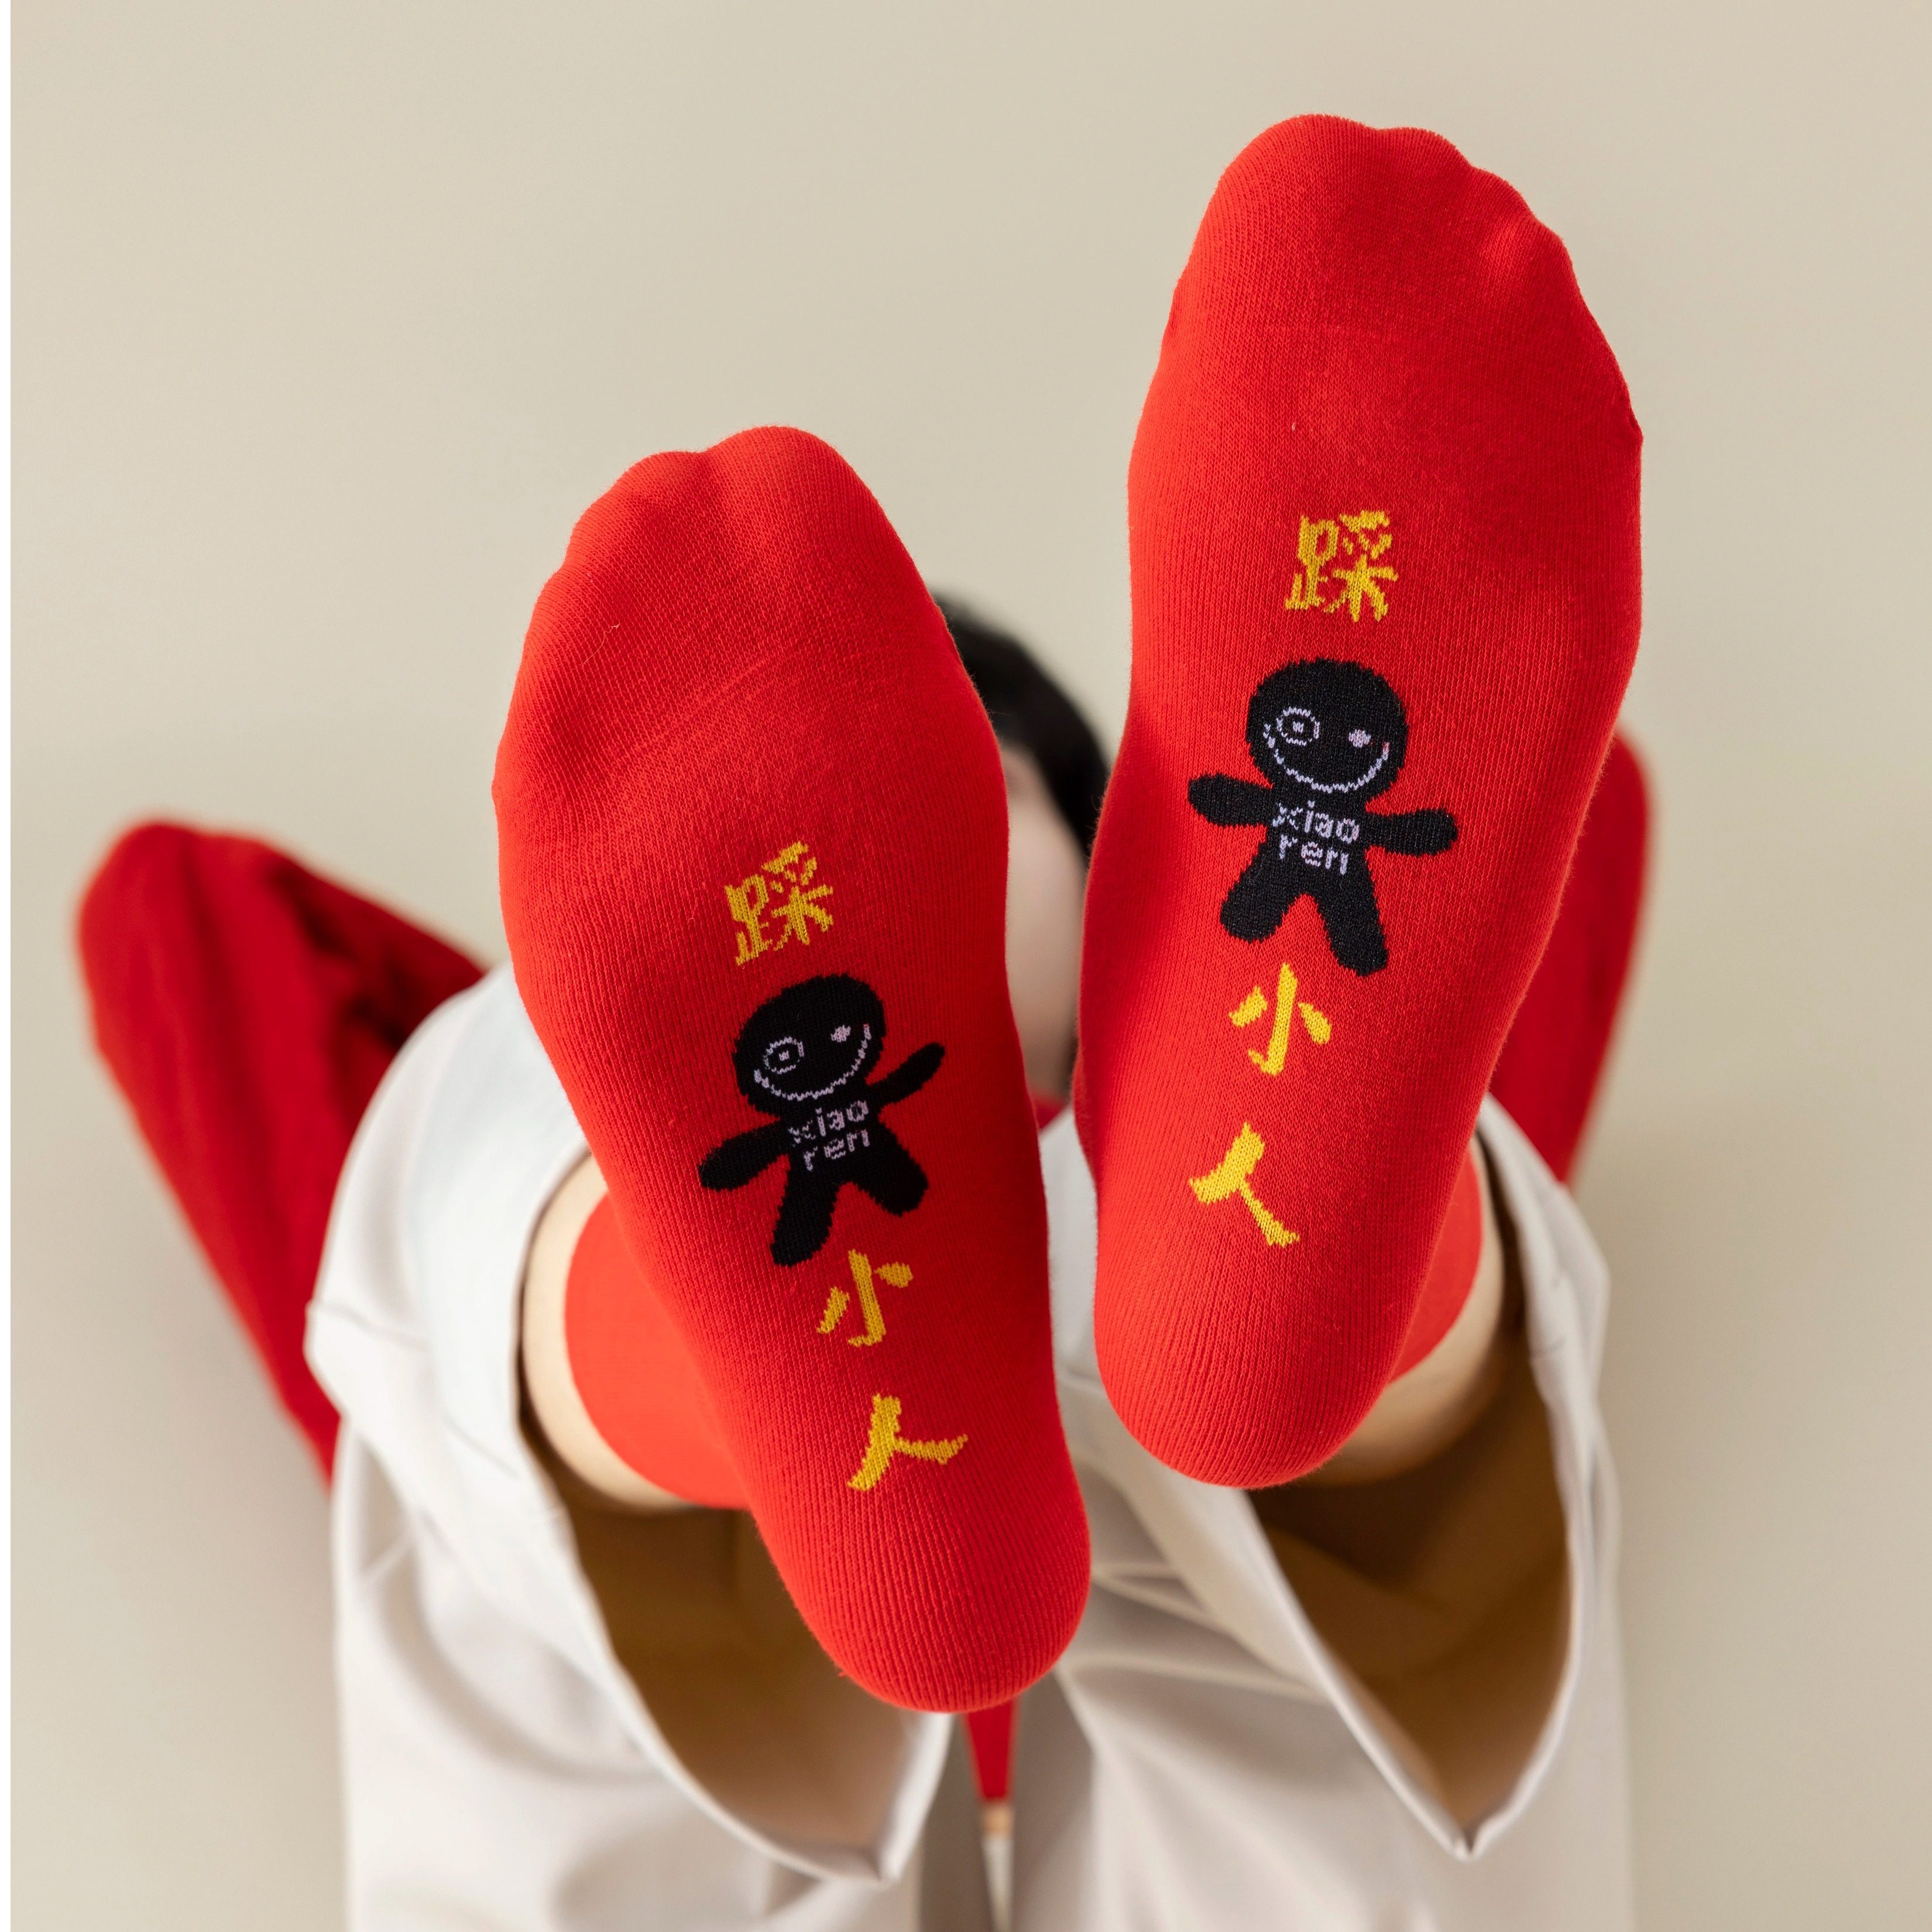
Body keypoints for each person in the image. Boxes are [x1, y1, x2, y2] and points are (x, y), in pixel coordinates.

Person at [77, 115, 1650, 1930]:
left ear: (1139, 850)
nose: (909, 879)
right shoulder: (617, 1067)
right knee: (498, 1238)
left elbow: (170, 925)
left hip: (745, 1767)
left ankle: (911, 1335)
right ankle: (716, 1349)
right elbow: (187, 922)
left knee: (475, 1361)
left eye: (972, 808)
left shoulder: (1349, 1048)